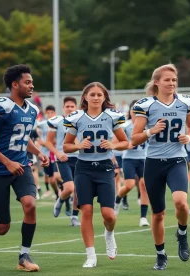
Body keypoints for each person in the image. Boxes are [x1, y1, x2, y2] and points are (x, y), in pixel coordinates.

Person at [0, 64, 49, 271]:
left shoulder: (32, 109)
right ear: (14, 84)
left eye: (32, 82)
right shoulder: (1, 108)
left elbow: (23, 137)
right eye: (27, 82)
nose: (31, 86)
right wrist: (7, 162)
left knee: (30, 205)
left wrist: (38, 152)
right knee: (2, 227)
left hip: (22, 166)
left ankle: (24, 256)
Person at [131, 64, 190, 270]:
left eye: (174, 80)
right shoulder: (146, 105)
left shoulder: (186, 102)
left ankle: (182, 233)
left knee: (181, 202)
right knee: (158, 213)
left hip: (177, 159)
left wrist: (189, 136)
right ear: (156, 82)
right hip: (153, 162)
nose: (172, 83)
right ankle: (160, 254)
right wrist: (151, 131)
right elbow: (134, 138)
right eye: (167, 80)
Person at [63, 82, 128, 268]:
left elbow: (125, 142)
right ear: (85, 97)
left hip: (105, 167)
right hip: (83, 168)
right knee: (87, 212)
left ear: (104, 97)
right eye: (92, 94)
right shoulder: (77, 118)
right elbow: (66, 146)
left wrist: (113, 145)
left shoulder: (111, 117)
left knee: (109, 215)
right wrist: (78, 145)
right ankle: (91, 255)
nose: (96, 97)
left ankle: (109, 234)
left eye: (99, 94)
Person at [114, 99, 150, 227]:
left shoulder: (148, 125)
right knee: (129, 185)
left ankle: (143, 217)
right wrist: (125, 145)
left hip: (144, 158)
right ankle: (117, 200)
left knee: (144, 185)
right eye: (133, 110)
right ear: (130, 111)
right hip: (129, 159)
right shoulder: (125, 126)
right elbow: (114, 143)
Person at [46, 97, 80, 226]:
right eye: (67, 106)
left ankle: (74, 216)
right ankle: (60, 200)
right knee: (70, 187)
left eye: (72, 106)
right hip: (63, 158)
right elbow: (48, 142)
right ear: (63, 108)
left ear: (76, 108)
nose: (70, 109)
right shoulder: (57, 121)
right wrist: (58, 154)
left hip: (79, 158)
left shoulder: (81, 120)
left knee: (79, 189)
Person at [36, 105, 59, 200]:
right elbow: (35, 128)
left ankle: (65, 190)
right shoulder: (43, 124)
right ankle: (58, 193)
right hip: (46, 154)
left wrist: (46, 143)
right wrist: (40, 140)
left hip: (56, 154)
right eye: (48, 113)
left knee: (57, 176)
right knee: (51, 179)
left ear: (55, 113)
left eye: (52, 112)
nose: (50, 114)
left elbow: (56, 141)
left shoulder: (59, 123)